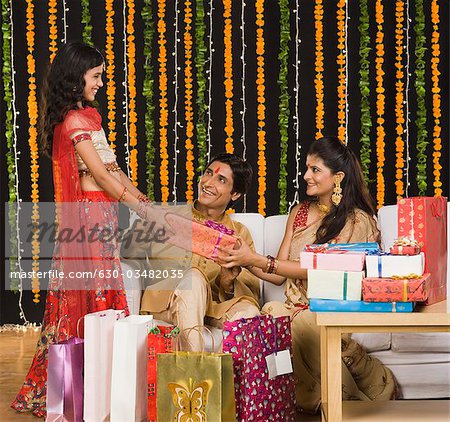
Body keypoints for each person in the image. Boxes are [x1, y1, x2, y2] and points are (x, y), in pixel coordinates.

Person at [11, 42, 156, 417]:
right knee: (91, 298)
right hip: (90, 220)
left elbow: (114, 170)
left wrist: (149, 207)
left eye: (102, 76)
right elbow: (105, 180)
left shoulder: (88, 116)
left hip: (103, 217)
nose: (102, 83)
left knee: (101, 296)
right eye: (96, 76)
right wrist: (141, 208)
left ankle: (100, 387)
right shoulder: (75, 122)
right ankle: (81, 388)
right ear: (77, 78)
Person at [218, 136, 397, 414]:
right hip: (297, 310)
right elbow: (278, 273)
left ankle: (353, 396)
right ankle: (335, 402)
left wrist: (255, 259)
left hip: (335, 308)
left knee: (294, 320)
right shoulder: (299, 213)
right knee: (274, 310)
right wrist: (241, 258)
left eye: (315, 170)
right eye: (306, 168)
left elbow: (324, 268)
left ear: (337, 177)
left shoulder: (356, 220)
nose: (306, 176)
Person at [122, 153, 261, 350]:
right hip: (166, 301)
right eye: (208, 173)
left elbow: (251, 289)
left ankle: (220, 376)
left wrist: (227, 283)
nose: (208, 182)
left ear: (235, 194)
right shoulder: (167, 216)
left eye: (220, 179)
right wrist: (142, 226)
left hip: (213, 307)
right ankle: (195, 374)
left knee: (249, 311)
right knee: (193, 279)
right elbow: (127, 254)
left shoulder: (238, 234)